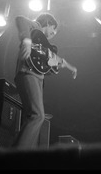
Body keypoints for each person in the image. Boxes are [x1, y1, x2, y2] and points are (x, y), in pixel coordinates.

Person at [13, 12, 77, 150]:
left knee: (32, 117)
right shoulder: (35, 27)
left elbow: (52, 62)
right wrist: (26, 40)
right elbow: (20, 18)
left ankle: (22, 154)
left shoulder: (45, 46)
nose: (54, 33)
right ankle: (15, 156)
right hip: (28, 73)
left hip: (35, 77)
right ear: (48, 23)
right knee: (38, 116)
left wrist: (69, 66)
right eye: (54, 29)